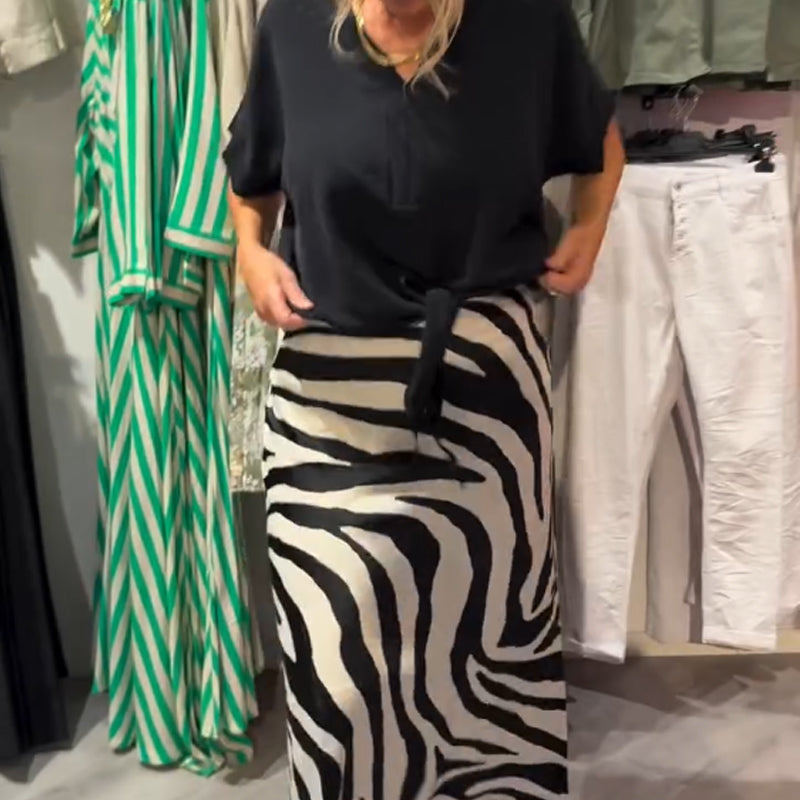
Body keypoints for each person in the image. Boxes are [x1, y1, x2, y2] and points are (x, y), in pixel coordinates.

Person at [224, 0, 624, 796]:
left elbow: (599, 144)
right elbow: (252, 175)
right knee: (337, 673)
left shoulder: (527, 22)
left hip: (486, 401)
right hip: (327, 401)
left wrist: (589, 228)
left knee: (488, 663)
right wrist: (250, 253)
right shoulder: (293, 23)